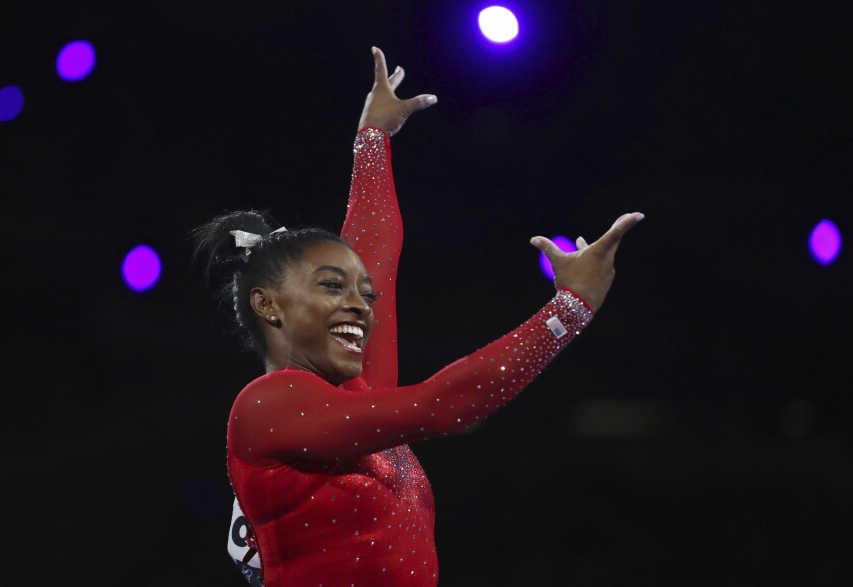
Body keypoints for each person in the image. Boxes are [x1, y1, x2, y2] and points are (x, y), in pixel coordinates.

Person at [194, 47, 643, 587]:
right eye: (331, 288)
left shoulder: (357, 396)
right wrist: (569, 310)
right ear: (267, 305)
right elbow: (444, 404)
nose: (360, 303)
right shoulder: (267, 405)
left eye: (362, 293)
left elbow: (375, 252)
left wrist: (373, 139)